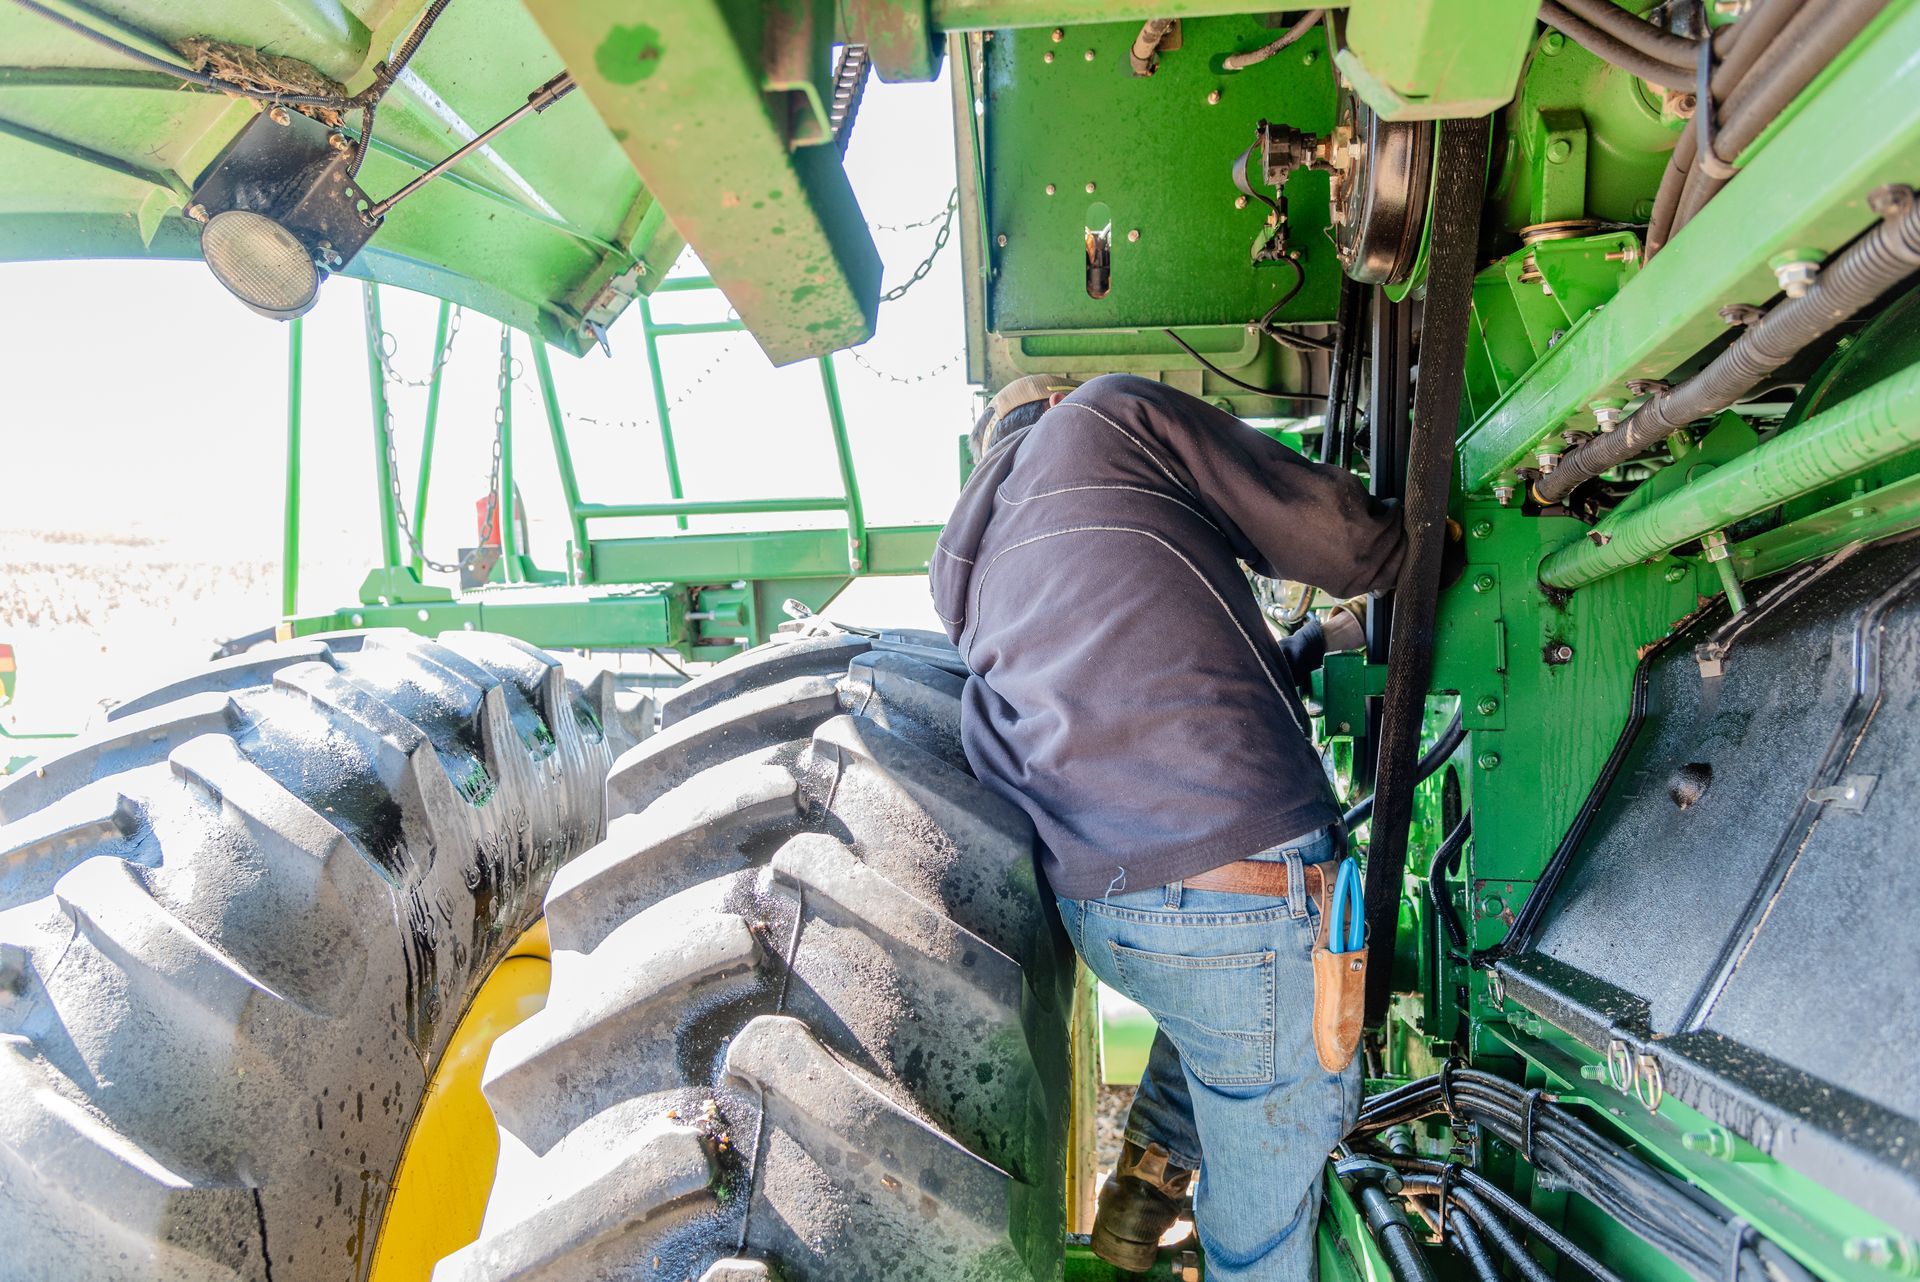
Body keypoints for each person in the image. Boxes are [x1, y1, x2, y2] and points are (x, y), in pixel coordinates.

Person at [932, 373, 1449, 1281]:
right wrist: (1433, 537)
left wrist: (1309, 646)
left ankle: (1139, 1202)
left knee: (1219, 1020)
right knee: (1270, 1225)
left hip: (1114, 914)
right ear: (1054, 407)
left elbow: (1146, 685)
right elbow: (1348, 542)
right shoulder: (1104, 416)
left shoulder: (963, 568)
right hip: (1238, 893)